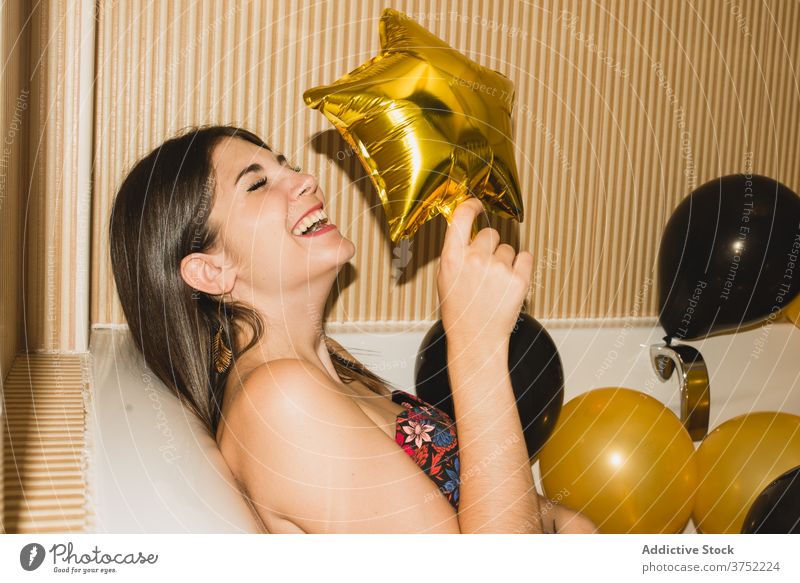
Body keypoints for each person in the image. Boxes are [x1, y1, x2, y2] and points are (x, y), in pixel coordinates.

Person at [109, 125, 597, 534]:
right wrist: (477, 347)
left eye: (286, 165)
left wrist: (565, 521)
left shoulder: (328, 369)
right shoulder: (281, 404)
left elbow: (495, 498)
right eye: (257, 184)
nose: (305, 179)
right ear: (209, 272)